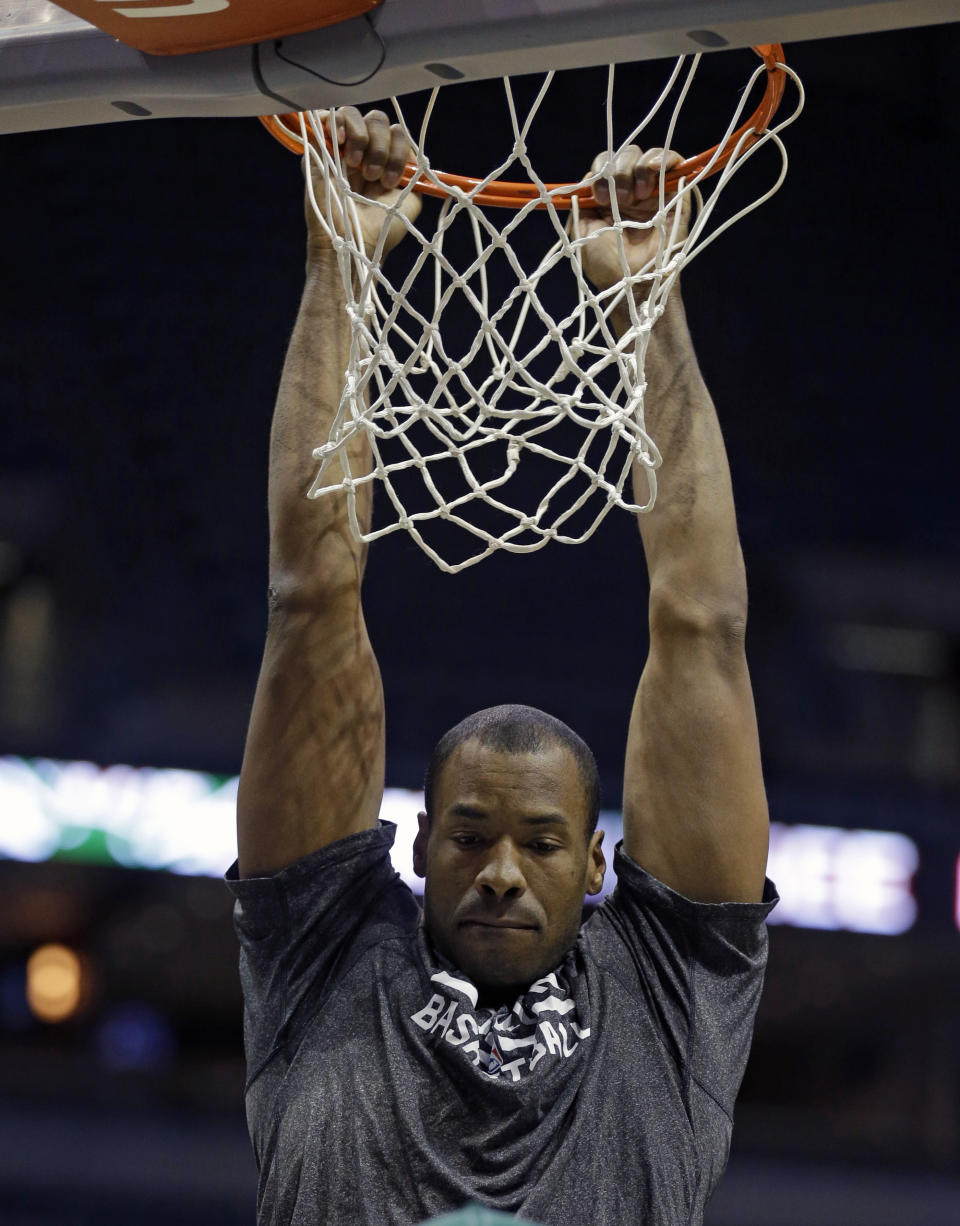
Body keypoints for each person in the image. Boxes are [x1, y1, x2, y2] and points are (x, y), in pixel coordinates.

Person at [227, 108, 778, 1226]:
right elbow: (308, 602)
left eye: (539, 841)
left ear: (597, 862)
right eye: (471, 833)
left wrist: (645, 297)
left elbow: (704, 623)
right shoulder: (323, 954)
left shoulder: (670, 995)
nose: (501, 870)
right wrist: (340, 256)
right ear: (421, 841)